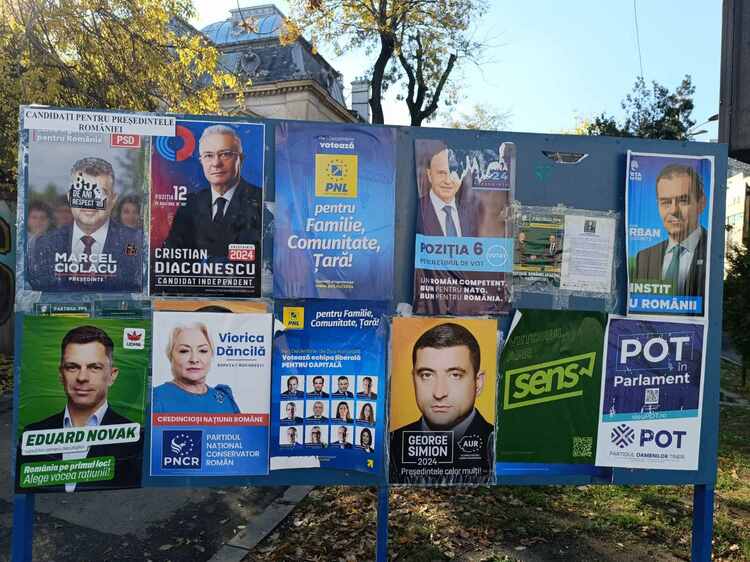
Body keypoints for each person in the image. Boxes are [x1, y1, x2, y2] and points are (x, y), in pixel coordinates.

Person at [15, 325, 142, 492]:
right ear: (61, 374)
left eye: (94, 367)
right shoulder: (32, 434)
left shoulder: (136, 438)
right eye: (72, 367)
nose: (82, 377)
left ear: (112, 375)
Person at [389, 322, 494, 484]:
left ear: (478, 383)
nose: (439, 393)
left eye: (455, 375)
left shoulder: (497, 446)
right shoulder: (390, 445)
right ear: (414, 380)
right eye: (427, 375)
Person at [27, 157, 142, 292]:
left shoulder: (139, 243)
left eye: (99, 192)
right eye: (82, 192)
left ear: (113, 199)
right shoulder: (42, 245)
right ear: (70, 197)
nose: (90, 200)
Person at [163, 124, 262, 260]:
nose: (216, 163)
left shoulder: (260, 201)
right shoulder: (190, 204)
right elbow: (169, 257)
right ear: (201, 161)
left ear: (240, 159)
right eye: (208, 155)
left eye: (225, 154)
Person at [632, 164, 708, 298]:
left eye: (683, 200)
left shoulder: (713, 252)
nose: (673, 210)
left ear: (701, 203)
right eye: (666, 202)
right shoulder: (644, 257)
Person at [152, 323, 239, 413]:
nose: (194, 359)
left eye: (202, 351)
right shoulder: (155, 398)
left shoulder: (225, 400)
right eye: (184, 351)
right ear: (170, 355)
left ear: (211, 355)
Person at [416, 144, 483, 237]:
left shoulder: (472, 214)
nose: (448, 181)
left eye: (454, 172)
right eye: (441, 173)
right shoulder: (416, 210)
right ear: (429, 175)